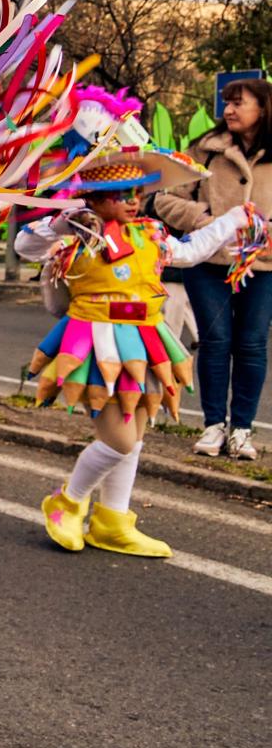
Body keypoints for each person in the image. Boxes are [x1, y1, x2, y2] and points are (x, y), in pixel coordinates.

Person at [25, 103, 256, 557]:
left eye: (137, 191)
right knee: (118, 440)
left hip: (147, 342)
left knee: (136, 434)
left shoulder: (150, 235)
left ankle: (112, 520)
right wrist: (61, 220)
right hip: (94, 345)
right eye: (122, 192)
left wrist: (233, 220)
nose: (134, 200)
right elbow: (27, 243)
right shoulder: (77, 235)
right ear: (94, 197)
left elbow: (191, 251)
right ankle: (67, 501)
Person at [155, 76, 272, 460]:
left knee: (252, 344)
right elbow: (165, 200)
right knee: (216, 341)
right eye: (227, 102)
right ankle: (212, 426)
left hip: (263, 265)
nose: (230, 110)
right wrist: (208, 220)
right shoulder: (204, 150)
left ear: (263, 108)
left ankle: (242, 429)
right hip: (208, 262)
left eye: (240, 102)